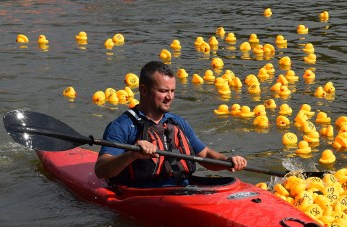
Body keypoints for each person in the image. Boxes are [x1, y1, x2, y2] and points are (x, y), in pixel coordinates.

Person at [95, 61, 247, 186]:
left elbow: (205, 155)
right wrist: (132, 155)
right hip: (145, 194)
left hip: (183, 188)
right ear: (144, 90)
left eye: (172, 91)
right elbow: (101, 170)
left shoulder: (177, 122)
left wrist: (228, 162)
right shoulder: (123, 126)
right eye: (163, 91)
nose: (170, 97)